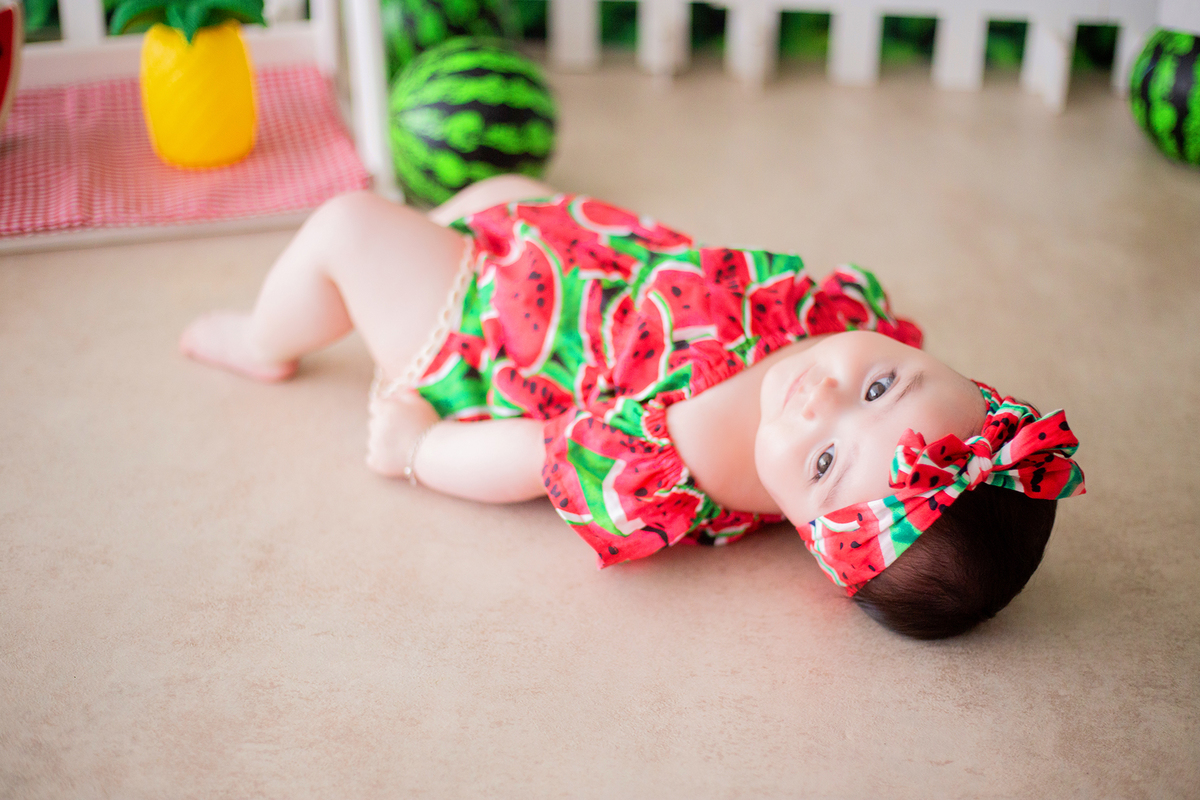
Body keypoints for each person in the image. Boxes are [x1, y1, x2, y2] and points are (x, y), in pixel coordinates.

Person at [181, 175, 1086, 639]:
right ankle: (470, 218)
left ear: (815, 538)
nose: (824, 398)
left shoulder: (674, 461)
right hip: (581, 265)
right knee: (499, 190)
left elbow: (539, 457)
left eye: (822, 463)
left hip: (489, 336)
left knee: (346, 227)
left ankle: (264, 340)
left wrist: (419, 451)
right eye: (882, 385)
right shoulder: (842, 321)